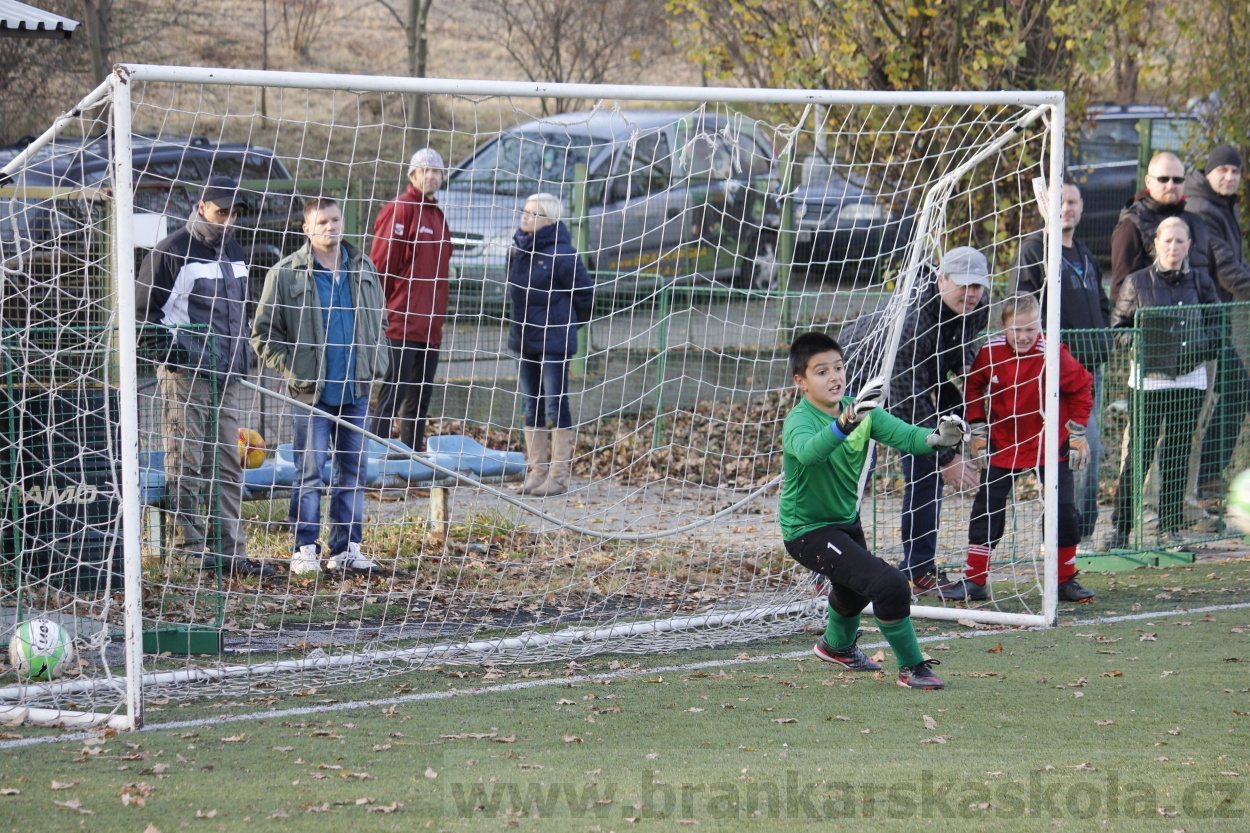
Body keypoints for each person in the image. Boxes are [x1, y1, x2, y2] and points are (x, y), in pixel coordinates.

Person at [780, 332, 968, 689]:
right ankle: (913, 668)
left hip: (845, 523)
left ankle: (835, 646)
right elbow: (808, 453)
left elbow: (907, 436)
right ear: (801, 381)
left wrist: (938, 439)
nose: (834, 376)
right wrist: (843, 423)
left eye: (838, 367)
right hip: (807, 531)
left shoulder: (861, 411)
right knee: (890, 585)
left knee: (854, 589)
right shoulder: (800, 420)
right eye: (821, 372)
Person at [136, 175, 272, 578]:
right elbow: (144, 316)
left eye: (235, 212)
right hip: (186, 377)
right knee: (187, 462)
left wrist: (242, 357)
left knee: (228, 464)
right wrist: (176, 357)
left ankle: (231, 554)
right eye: (221, 211)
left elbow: (238, 313)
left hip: (228, 379)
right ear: (201, 207)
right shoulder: (171, 251)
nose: (229, 219)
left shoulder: (233, 249)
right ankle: (190, 554)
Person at [840, 246, 990, 596]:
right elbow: (911, 401)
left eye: (977, 286)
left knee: (925, 471)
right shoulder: (913, 319)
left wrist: (968, 374)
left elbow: (961, 350)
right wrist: (947, 458)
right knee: (856, 472)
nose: (971, 294)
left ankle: (919, 569)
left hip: (914, 379)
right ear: (941, 280)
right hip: (858, 377)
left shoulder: (979, 307)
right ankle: (832, 571)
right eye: (963, 285)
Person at [252, 197, 391, 575]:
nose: (331, 227)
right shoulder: (285, 274)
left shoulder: (363, 268)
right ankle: (305, 548)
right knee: (310, 473)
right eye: (322, 221)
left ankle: (347, 548)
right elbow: (262, 335)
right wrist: (294, 371)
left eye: (335, 219)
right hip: (310, 395)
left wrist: (376, 363)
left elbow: (380, 323)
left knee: (354, 471)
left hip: (356, 392)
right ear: (306, 229)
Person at [942, 294, 1096, 603]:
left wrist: (1077, 430)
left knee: (1063, 510)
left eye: (1031, 329)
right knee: (987, 506)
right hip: (1004, 443)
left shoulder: (1053, 352)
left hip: (1048, 443)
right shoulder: (990, 351)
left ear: (1040, 326)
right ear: (1002, 328)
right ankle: (975, 580)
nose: (1024, 336)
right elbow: (973, 386)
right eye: (1016, 330)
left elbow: (1082, 385)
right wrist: (978, 424)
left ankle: (1064, 579)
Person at [1108, 217, 1222, 549]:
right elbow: (1119, 328)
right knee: (1138, 455)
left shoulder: (1202, 282)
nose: (1173, 247)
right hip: (1148, 383)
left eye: (1180, 241)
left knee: (1176, 454)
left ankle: (1169, 529)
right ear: (1156, 243)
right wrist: (1143, 345)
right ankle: (1121, 529)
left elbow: (1218, 326)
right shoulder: (1136, 282)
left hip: (1190, 382)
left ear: (1189, 245)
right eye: (1167, 240)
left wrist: (1195, 349)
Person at [1011, 178, 1111, 541]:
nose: (1066, 207)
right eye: (1059, 201)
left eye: (1072, 201)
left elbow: (1101, 303)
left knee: (1082, 457)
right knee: (1082, 452)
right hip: (1056, 377)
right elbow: (1021, 309)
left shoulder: (1084, 253)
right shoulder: (1036, 249)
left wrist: (1107, 338)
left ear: (1081, 206)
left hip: (1090, 371)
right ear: (1043, 205)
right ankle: (1066, 541)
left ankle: (1069, 539)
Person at [508, 192, 594, 497]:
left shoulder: (565, 254)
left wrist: (565, 325)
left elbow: (585, 297)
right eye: (525, 211)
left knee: (556, 404)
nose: (525, 216)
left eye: (533, 213)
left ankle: (558, 476)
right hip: (523, 339)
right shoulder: (517, 250)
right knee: (531, 404)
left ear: (550, 220)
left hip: (554, 341)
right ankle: (537, 472)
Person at [370, 147, 453, 452]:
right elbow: (381, 265)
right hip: (401, 323)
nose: (431, 176)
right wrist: (378, 311)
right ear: (413, 175)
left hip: (430, 328)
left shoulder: (439, 216)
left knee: (420, 400)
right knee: (393, 393)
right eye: (425, 170)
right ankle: (375, 458)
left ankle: (410, 462)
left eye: (437, 171)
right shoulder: (400, 209)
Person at [1186, 145, 1249, 496]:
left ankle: (1207, 478)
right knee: (1219, 395)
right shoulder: (1203, 208)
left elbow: (1235, 265)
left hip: (1215, 318)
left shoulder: (1223, 206)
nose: (1229, 177)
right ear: (1208, 172)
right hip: (1199, 321)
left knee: (1235, 391)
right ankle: (1196, 484)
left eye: (1235, 171)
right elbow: (1226, 271)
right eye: (1222, 170)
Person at [1110, 151, 1250, 305]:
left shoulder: (1197, 223)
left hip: (1196, 326)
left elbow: (1212, 284)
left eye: (1177, 180)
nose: (1171, 186)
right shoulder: (1131, 225)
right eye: (1163, 179)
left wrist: (1213, 327)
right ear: (1148, 181)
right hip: (1152, 325)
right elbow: (1121, 293)